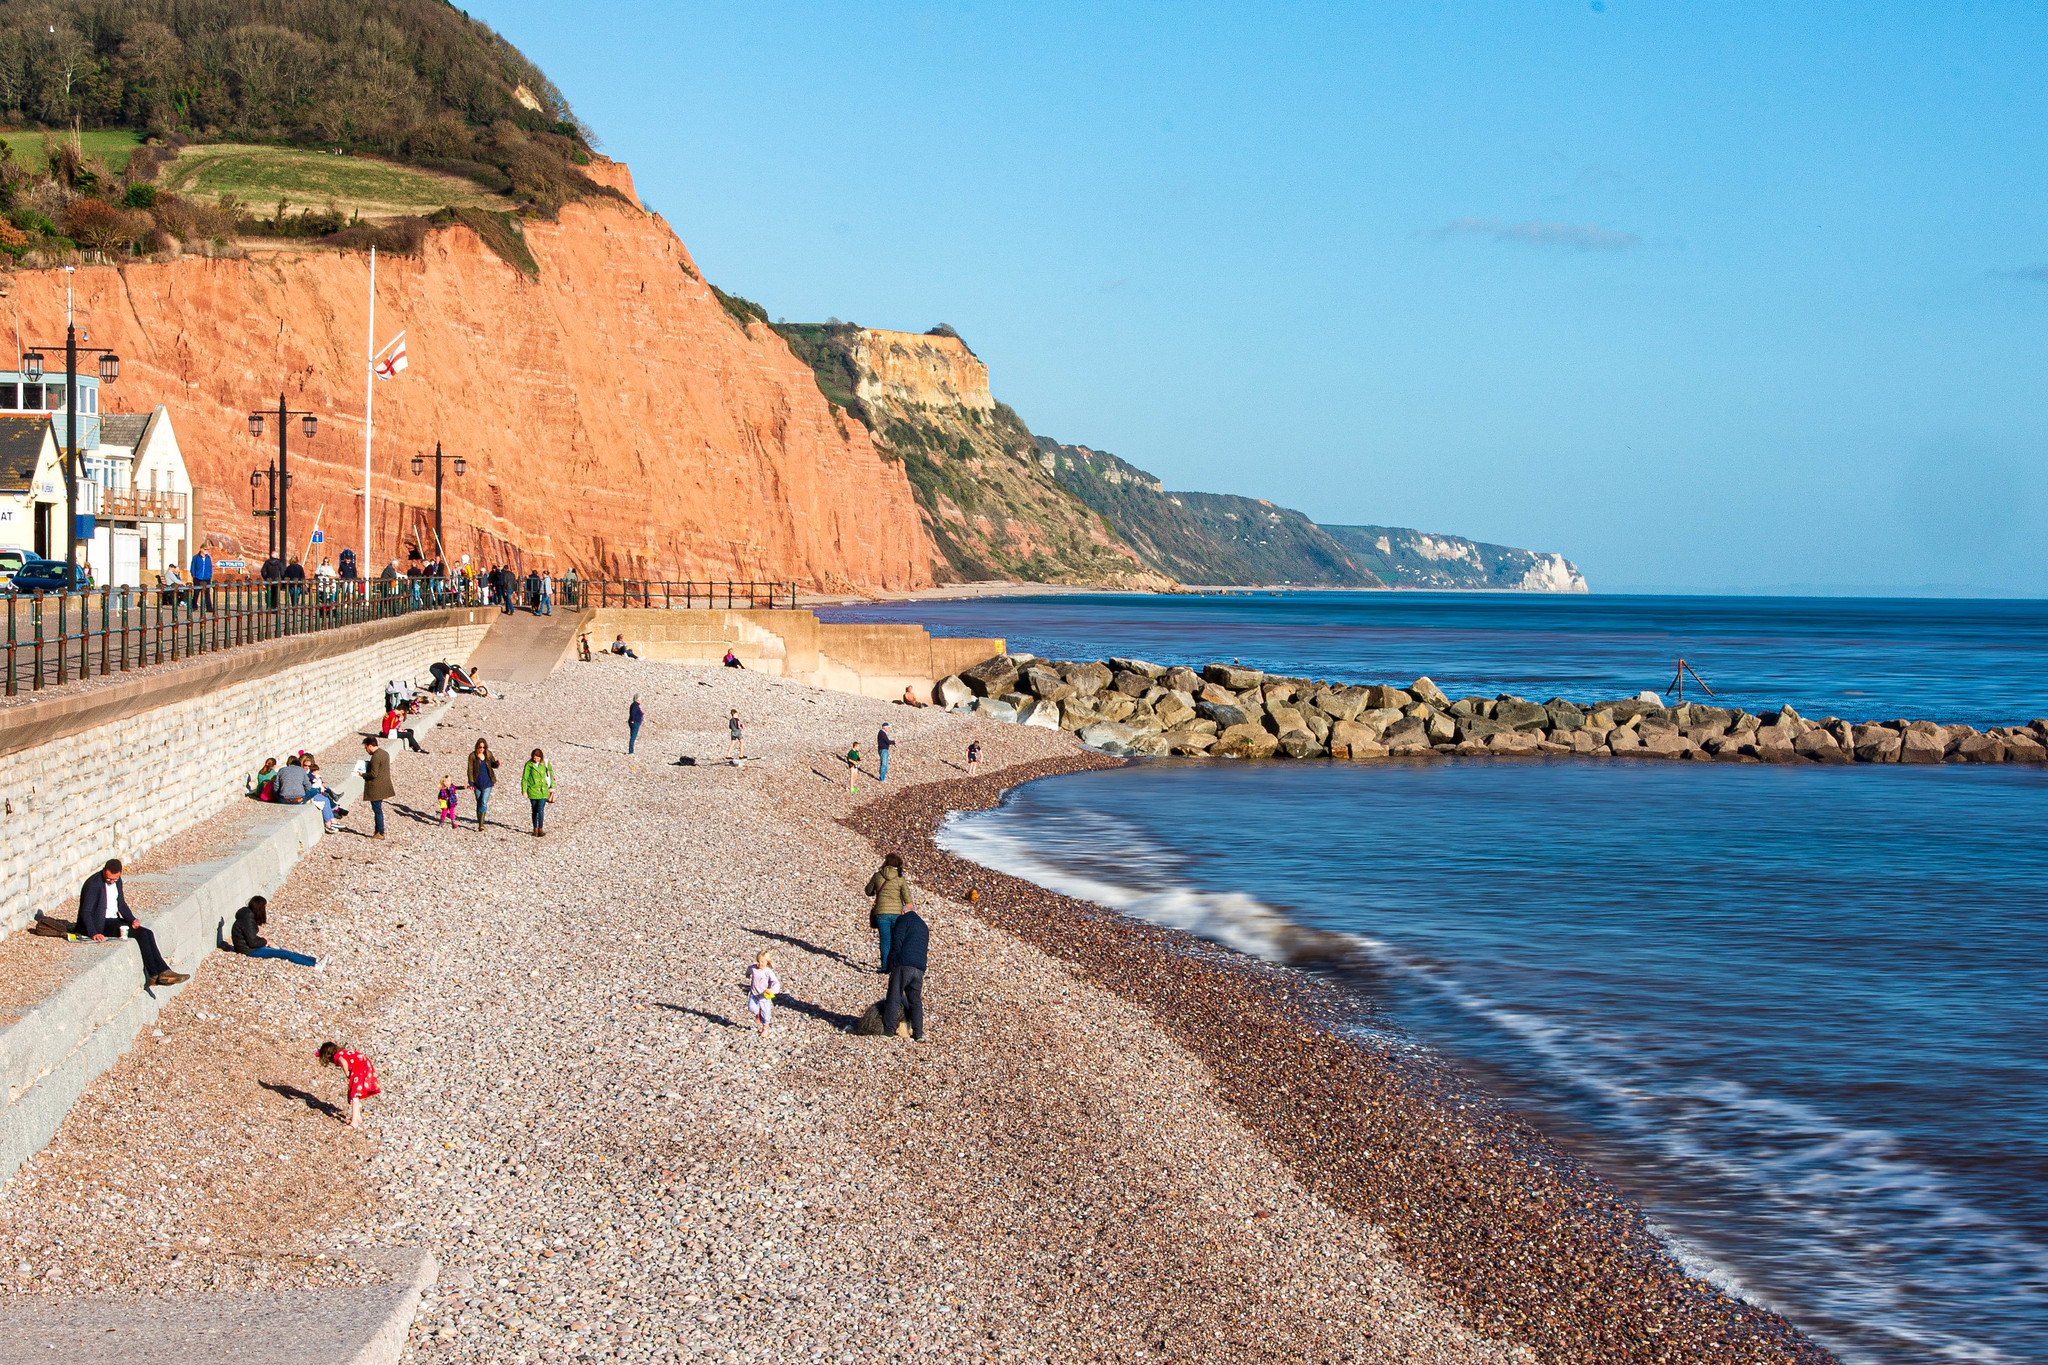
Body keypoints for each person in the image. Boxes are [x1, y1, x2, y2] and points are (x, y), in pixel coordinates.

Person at [79, 859, 188, 987]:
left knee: (147, 933)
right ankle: (155, 974)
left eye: (115, 878)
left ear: (119, 874)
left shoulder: (117, 881)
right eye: (109, 879)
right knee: (140, 935)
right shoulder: (93, 884)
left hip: (114, 919)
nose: (112, 882)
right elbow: (85, 912)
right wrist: (93, 932)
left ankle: (163, 972)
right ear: (104, 871)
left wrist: (131, 919)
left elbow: (121, 904)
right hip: (101, 924)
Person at [230, 895, 320, 969]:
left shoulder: (247, 915)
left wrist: (263, 941)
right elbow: (252, 942)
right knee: (284, 953)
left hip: (247, 947)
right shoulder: (248, 919)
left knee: (282, 951)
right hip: (248, 951)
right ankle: (314, 965)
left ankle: (314, 960)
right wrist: (265, 941)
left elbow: (250, 937)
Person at [882, 905, 929, 1042]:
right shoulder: (923, 925)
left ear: (902, 912)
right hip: (919, 967)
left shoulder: (903, 920)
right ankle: (918, 1034)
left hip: (904, 964)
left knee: (894, 996)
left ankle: (888, 1031)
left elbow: (897, 941)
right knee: (915, 1000)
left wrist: (890, 963)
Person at [864, 853, 913, 974]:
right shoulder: (900, 879)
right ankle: (895, 966)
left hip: (881, 913)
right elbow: (908, 900)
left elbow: (868, 891)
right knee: (896, 940)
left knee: (885, 940)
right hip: (897, 913)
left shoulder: (877, 876)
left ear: (886, 862)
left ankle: (885, 967)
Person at [317, 1041, 380, 1129]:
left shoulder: (337, 1056)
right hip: (365, 1065)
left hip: (360, 1068)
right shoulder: (343, 1052)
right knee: (356, 1093)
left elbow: (343, 1062)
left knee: (354, 1095)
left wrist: (347, 1073)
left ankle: (354, 1123)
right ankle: (358, 1118)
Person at [361, 736, 393, 838]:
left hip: (376, 788)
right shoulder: (384, 753)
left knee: (377, 810)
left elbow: (373, 774)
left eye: (366, 748)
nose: (366, 750)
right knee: (378, 809)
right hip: (384, 786)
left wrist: (362, 774)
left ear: (369, 746)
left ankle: (379, 831)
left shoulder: (375, 756)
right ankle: (379, 831)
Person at [466, 739, 499, 831]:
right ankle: (480, 822)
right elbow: (470, 770)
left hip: (488, 782)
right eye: (480, 747)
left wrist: (497, 763)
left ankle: (481, 824)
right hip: (477, 783)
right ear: (477, 747)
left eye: (483, 747)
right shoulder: (472, 756)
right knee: (479, 801)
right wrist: (471, 783)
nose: (482, 749)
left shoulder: (488, 754)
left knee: (484, 802)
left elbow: (493, 765)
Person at [747, 951, 780, 1040]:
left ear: (767, 963)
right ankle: (758, 1014)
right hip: (754, 994)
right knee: (751, 1007)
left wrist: (772, 990)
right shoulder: (754, 968)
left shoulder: (768, 972)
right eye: (758, 961)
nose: (759, 964)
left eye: (762, 962)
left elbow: (775, 982)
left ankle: (765, 1028)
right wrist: (747, 975)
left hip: (764, 996)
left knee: (766, 1013)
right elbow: (749, 970)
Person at [522, 748, 554, 837]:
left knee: (540, 809)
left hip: (543, 790)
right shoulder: (529, 765)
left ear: (540, 757)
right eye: (534, 758)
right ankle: (535, 828)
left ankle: (540, 828)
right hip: (532, 790)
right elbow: (525, 778)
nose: (535, 759)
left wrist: (552, 787)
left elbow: (550, 775)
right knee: (534, 810)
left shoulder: (545, 764)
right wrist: (524, 791)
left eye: (537, 758)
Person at [190, 545, 215, 612]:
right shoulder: (195, 557)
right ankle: (194, 606)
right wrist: (193, 575)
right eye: (205, 549)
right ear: (201, 549)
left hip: (206, 578)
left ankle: (209, 607)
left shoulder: (208, 558)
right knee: (196, 593)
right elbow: (192, 567)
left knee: (207, 593)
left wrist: (209, 575)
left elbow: (210, 567)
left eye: (207, 549)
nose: (206, 551)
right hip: (198, 577)